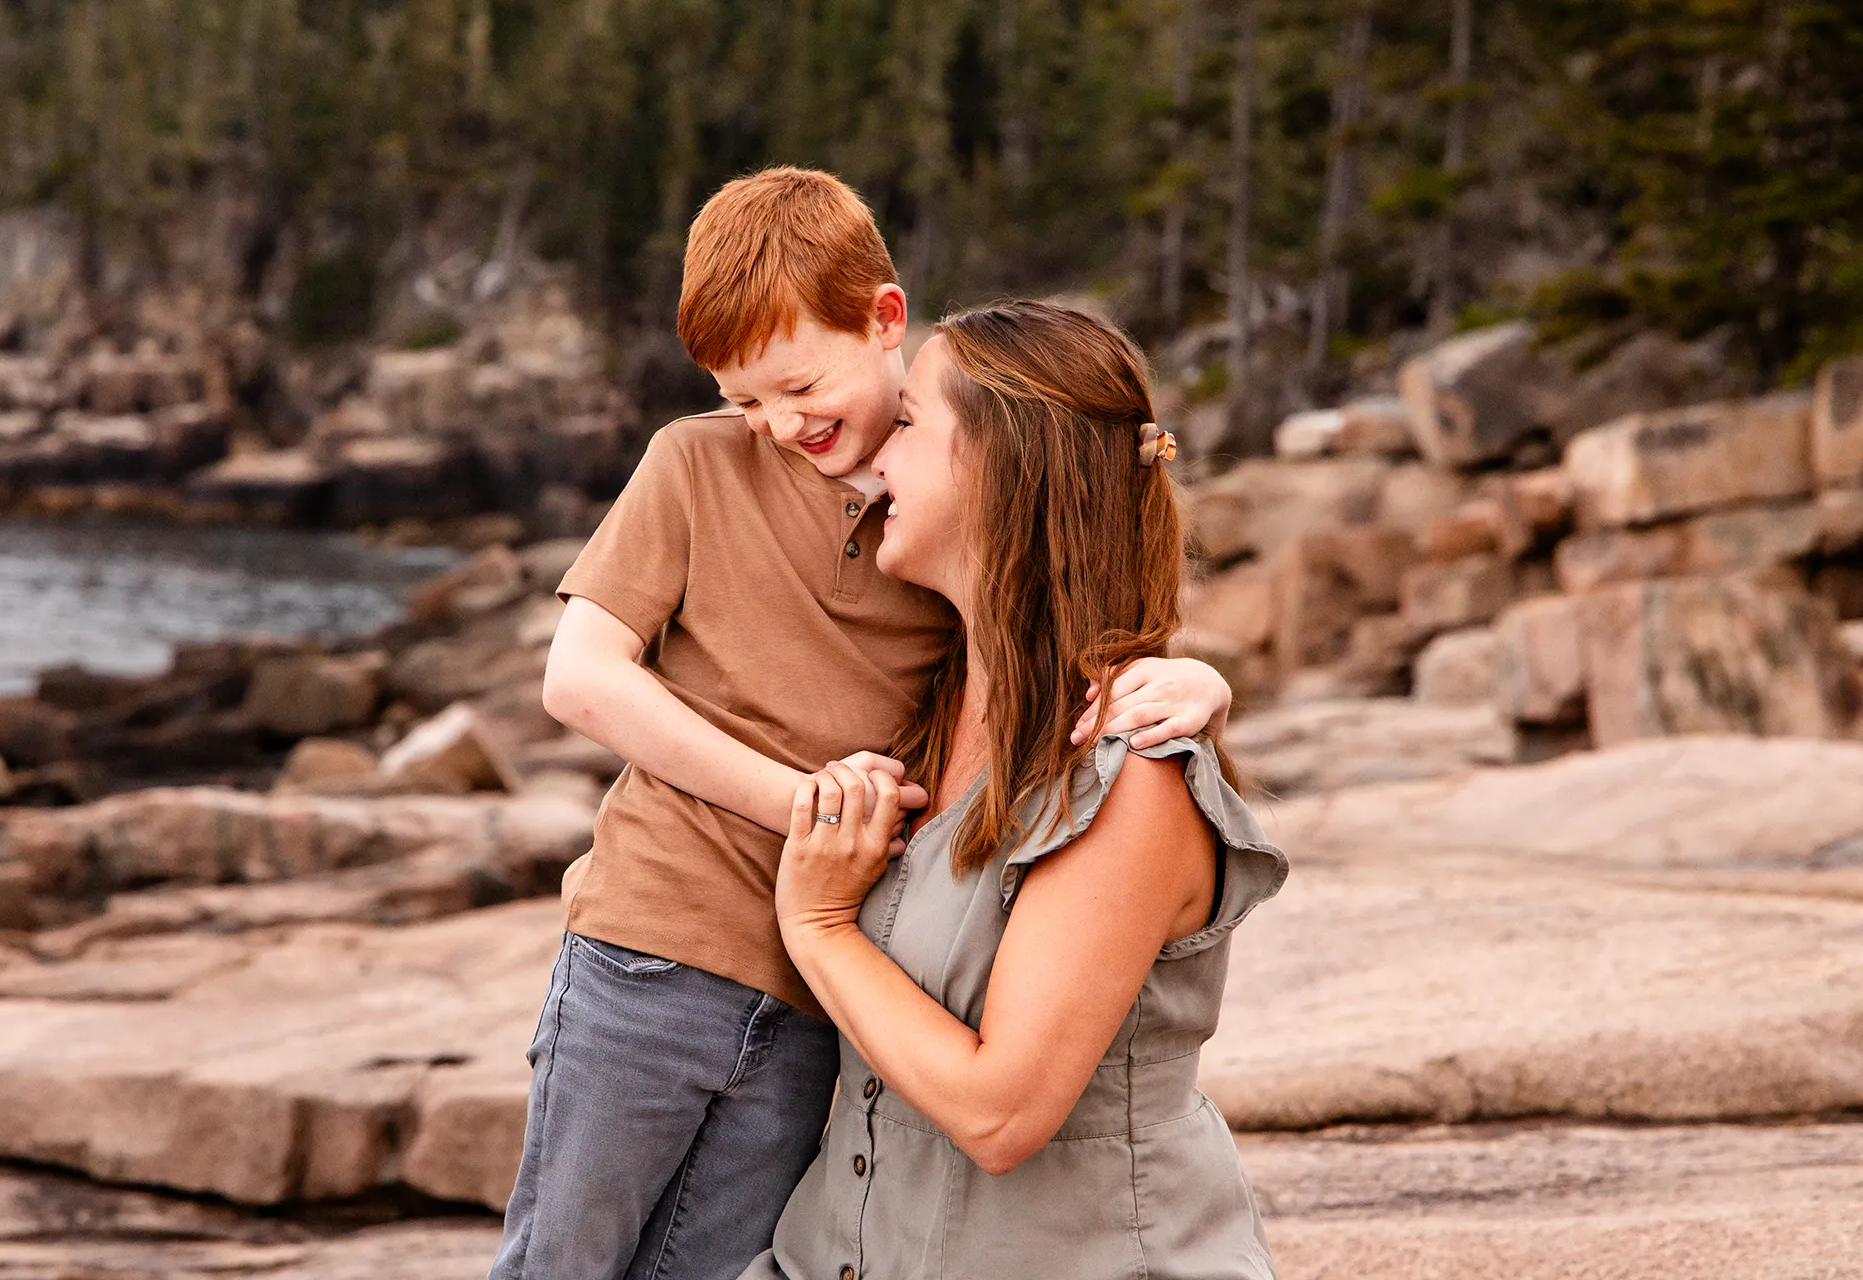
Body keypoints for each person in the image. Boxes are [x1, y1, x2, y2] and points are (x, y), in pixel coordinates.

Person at [491, 169, 1240, 1280]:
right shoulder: (704, 464)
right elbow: (581, 677)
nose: (782, 426)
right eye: (744, 399)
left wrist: (1192, 679)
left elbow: (1062, 606)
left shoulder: (941, 548)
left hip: (809, 999)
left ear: (884, 321)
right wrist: (806, 813)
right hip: (655, 940)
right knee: (563, 1258)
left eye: (795, 386)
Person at [744, 300, 1288, 1280]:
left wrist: (819, 923)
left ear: (1002, 467)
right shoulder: (920, 710)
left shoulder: (1129, 779)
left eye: (907, 424)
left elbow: (1003, 1110)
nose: (876, 462)